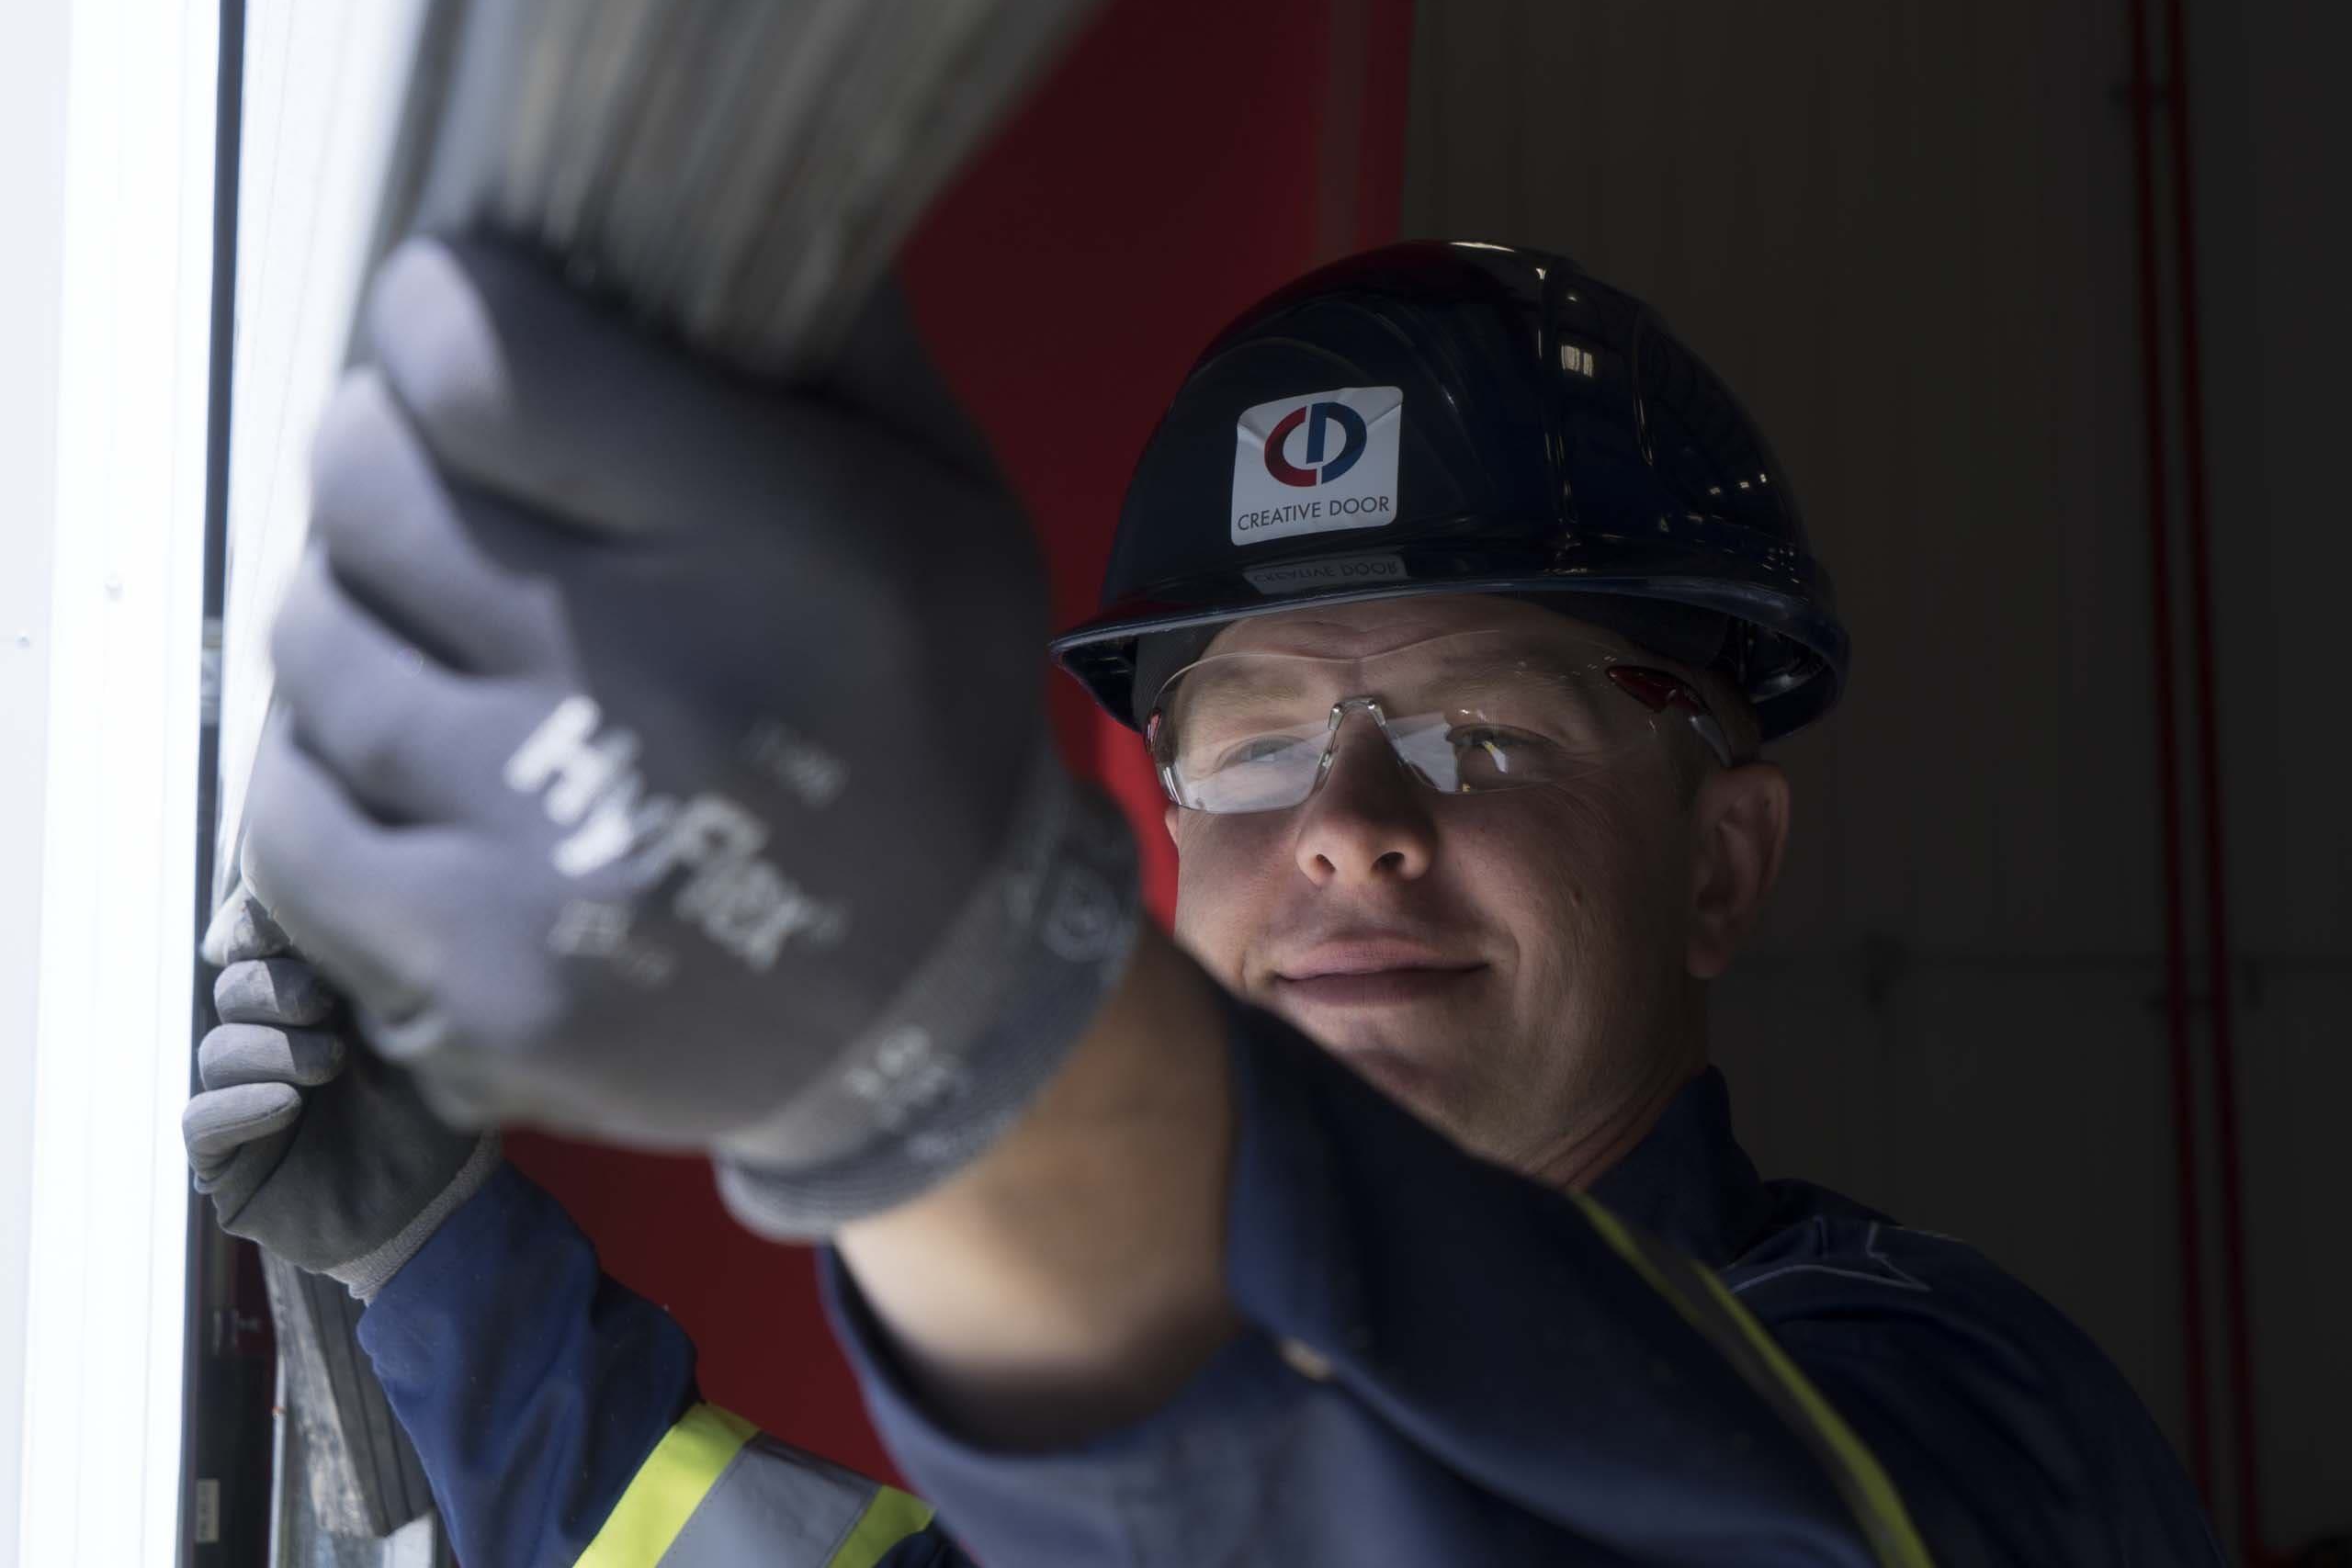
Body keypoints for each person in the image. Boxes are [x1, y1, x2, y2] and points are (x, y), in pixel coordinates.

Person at [187, 236, 2222, 1564]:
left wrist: (937, 1028)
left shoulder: (1968, 1417)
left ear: (1721, 861)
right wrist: (435, 1252)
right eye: (1250, 748)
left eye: (1481, 730)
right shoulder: (1121, 1438)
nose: (1344, 821)